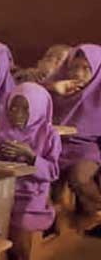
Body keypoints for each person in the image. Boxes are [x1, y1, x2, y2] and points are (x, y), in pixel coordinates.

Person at [0, 83, 61, 260]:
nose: (17, 113)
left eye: (25, 109)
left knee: (18, 229)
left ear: (37, 109)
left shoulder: (49, 135)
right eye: (13, 107)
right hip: (0, 192)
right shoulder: (1, 132)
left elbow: (52, 171)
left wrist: (31, 157)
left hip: (30, 195)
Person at [46, 44, 101, 215]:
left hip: (85, 147)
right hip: (54, 145)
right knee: (41, 176)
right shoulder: (59, 89)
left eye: (86, 68)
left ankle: (96, 212)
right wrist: (54, 88)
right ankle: (52, 223)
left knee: (79, 177)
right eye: (74, 67)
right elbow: (31, 95)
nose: (78, 73)